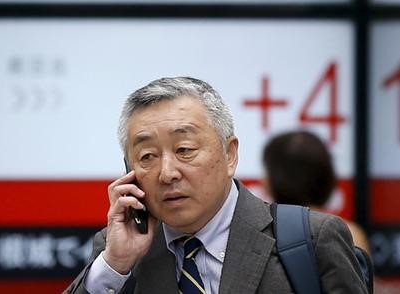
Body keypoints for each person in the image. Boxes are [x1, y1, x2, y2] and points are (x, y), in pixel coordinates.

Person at [65, 76, 367, 294]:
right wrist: (115, 264)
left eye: (185, 149)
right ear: (129, 171)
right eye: (147, 156)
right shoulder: (119, 255)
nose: (167, 172)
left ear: (230, 153)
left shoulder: (312, 240)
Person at [262, 130, 370, 254]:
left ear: (277, 178)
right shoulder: (350, 233)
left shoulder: (262, 234)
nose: (263, 180)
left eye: (267, 170)